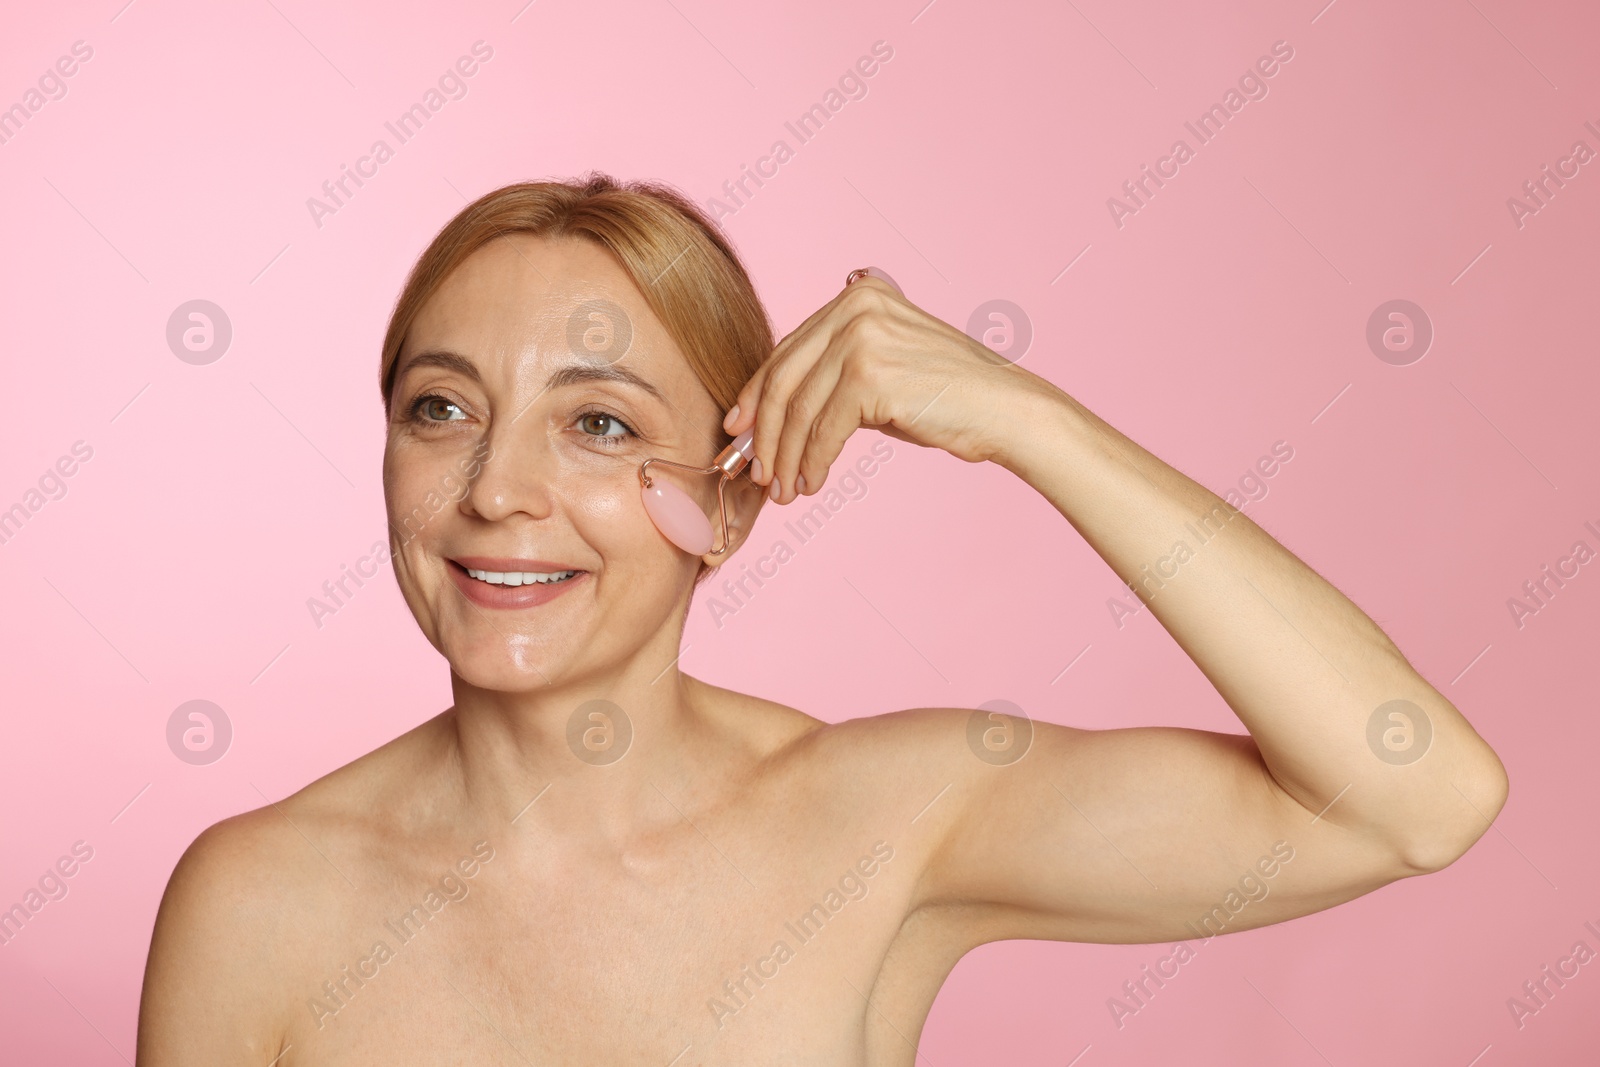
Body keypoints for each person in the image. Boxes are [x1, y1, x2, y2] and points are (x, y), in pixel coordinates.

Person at [135, 173, 1508, 1065]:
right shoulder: (258, 903)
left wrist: (1030, 424)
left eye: (599, 424)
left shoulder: (885, 819)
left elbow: (1414, 796)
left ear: (726, 507)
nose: (498, 490)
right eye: (441, 410)